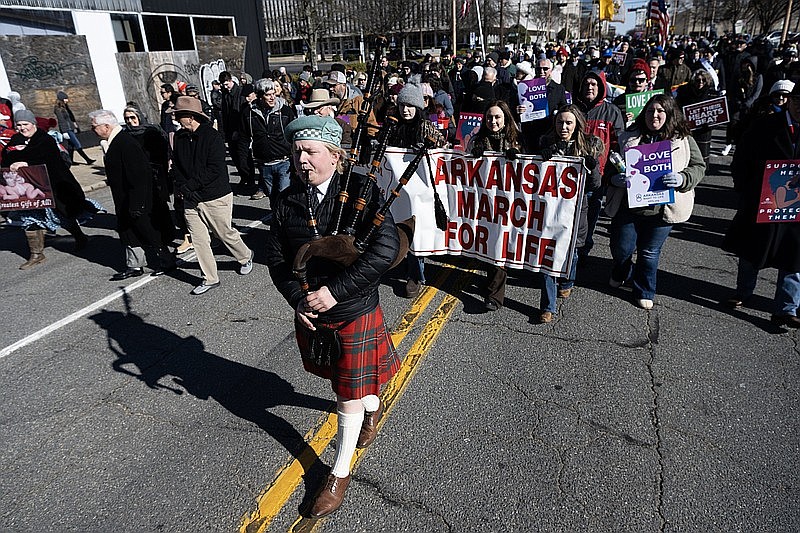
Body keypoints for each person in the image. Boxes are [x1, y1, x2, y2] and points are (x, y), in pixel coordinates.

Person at [265, 115, 401, 518]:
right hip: (313, 312)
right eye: (297, 152)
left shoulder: (363, 190)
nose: (301, 159)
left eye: (310, 151)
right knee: (350, 388)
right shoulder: (288, 201)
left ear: (335, 156)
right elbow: (275, 259)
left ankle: (338, 475)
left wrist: (334, 291)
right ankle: (372, 406)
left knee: (346, 395)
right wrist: (298, 298)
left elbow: (384, 252)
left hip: (354, 309)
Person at [604, 94, 706, 309]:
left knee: (649, 253)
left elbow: (698, 166)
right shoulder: (629, 136)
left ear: (669, 114)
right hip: (629, 206)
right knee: (621, 249)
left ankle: (644, 290)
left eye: (660, 111)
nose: (655, 115)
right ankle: (622, 271)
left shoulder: (683, 139)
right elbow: (608, 169)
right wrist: (615, 178)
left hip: (662, 209)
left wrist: (682, 179)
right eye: (650, 111)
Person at [722, 84, 800, 327]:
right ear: (789, 101)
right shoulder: (765, 125)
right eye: (797, 99)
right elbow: (742, 157)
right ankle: (743, 291)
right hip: (762, 199)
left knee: (794, 257)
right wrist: (745, 189)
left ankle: (786, 309)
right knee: (751, 250)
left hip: (796, 207)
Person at [170, 96, 254, 295]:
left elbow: (214, 170)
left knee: (224, 233)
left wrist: (189, 186)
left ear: (190, 117)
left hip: (214, 196)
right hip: (191, 198)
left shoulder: (212, 137)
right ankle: (210, 277)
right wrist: (182, 186)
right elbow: (177, 166)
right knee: (199, 239)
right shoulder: (180, 138)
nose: (175, 119)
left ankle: (245, 256)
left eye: (178, 115)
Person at [1, 109, 94, 269]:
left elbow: (48, 159)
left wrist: (27, 163)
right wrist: (13, 163)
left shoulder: (45, 139)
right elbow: (7, 155)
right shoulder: (15, 140)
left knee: (63, 214)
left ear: (33, 124)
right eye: (19, 125)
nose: (22, 128)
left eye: (26, 124)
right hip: (28, 189)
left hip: (53, 186)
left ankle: (80, 237)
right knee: (28, 217)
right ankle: (36, 254)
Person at [536, 105, 604, 322]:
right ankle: (548, 306)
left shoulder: (588, 147)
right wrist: (540, 159)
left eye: (568, 123)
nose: (563, 127)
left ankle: (568, 281)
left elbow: (595, 185)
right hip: (550, 210)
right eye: (559, 122)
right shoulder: (546, 142)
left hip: (576, 211)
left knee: (572, 254)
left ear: (577, 125)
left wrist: (592, 168)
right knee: (548, 256)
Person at [89, 110, 176, 280]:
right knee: (128, 231)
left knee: (148, 230)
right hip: (123, 198)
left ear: (106, 126)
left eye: (94, 127)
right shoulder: (113, 142)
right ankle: (135, 265)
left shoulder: (125, 143)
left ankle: (166, 260)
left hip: (137, 198)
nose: (93, 130)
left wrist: (138, 203)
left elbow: (139, 175)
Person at [386, 82, 447, 298]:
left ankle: (416, 275)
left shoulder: (425, 126)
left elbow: (442, 146)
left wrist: (427, 148)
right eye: (403, 105)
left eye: (410, 106)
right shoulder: (392, 125)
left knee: (416, 232)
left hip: (419, 188)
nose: (406, 110)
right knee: (395, 226)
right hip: (396, 186)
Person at [468, 101, 521, 312]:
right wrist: (473, 152)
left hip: (507, 202)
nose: (493, 121)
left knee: (500, 246)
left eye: (498, 117)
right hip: (483, 203)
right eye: (489, 117)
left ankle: (495, 296)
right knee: (488, 243)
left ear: (505, 118)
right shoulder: (477, 139)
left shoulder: (516, 140)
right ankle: (490, 283)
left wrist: (516, 157)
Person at [575, 71, 625, 259]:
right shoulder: (573, 109)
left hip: (597, 178)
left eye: (594, 84)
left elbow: (617, 146)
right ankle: (571, 254)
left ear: (602, 88)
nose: (590, 87)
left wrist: (610, 173)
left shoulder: (612, 112)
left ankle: (583, 251)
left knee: (590, 218)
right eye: (586, 83)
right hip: (571, 176)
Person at [246, 78, 297, 203]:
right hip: (264, 163)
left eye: (274, 94)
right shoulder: (249, 113)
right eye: (268, 95)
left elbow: (294, 134)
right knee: (272, 196)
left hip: (284, 162)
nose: (272, 97)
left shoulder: (285, 111)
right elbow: (244, 137)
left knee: (284, 194)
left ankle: (286, 220)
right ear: (259, 96)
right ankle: (276, 219)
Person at [675, 69, 718, 161]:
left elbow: (717, 113)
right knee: (689, 154)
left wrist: (712, 123)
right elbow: (679, 107)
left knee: (702, 156)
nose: (701, 82)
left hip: (704, 130)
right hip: (689, 129)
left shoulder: (711, 93)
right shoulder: (685, 92)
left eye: (704, 80)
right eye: (698, 80)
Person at [54, 91, 95, 165]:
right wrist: (64, 131)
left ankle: (70, 161)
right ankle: (87, 159)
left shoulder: (65, 107)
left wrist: (75, 125)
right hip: (67, 129)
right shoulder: (58, 109)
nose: (67, 100)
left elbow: (70, 118)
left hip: (70, 128)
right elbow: (61, 120)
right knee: (77, 144)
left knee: (71, 145)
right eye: (66, 98)